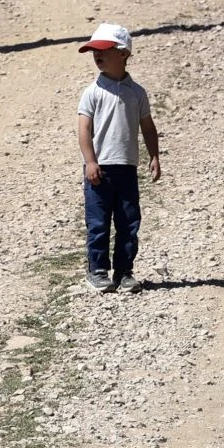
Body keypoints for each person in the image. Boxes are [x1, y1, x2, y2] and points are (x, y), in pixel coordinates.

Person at [77, 23, 162, 294]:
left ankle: (124, 272)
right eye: (94, 51)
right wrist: (90, 161)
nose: (97, 55)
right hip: (99, 169)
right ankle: (98, 271)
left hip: (126, 168)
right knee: (99, 222)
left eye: (103, 50)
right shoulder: (92, 92)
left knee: (128, 221)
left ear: (123, 53)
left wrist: (155, 155)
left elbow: (147, 127)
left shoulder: (137, 93)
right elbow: (84, 130)